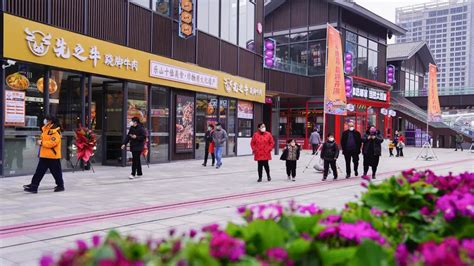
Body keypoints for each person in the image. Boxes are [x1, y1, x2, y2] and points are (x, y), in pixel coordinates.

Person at [23, 115, 64, 193]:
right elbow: (44, 138)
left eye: (47, 119)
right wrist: (40, 140)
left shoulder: (55, 131)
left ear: (50, 121)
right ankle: (34, 186)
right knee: (39, 171)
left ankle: (60, 185)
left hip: (52, 156)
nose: (45, 120)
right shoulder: (46, 129)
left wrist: (42, 142)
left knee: (56, 172)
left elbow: (53, 142)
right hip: (44, 154)